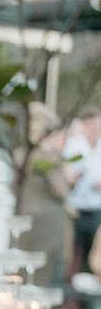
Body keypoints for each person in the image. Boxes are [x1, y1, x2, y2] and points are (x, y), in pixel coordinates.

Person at [61, 113, 101, 277]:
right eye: (92, 124)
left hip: (97, 208)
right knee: (73, 255)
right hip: (76, 209)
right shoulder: (74, 147)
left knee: (94, 256)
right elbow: (67, 177)